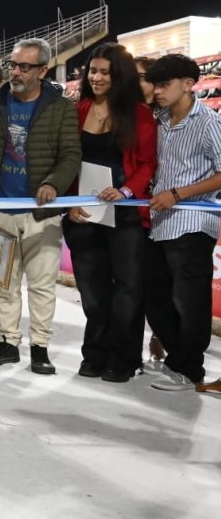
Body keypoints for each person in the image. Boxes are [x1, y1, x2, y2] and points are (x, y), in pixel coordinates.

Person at [0, 38, 81, 374]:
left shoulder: (60, 107)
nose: (15, 72)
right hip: (0, 210)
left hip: (41, 213)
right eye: (13, 65)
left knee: (41, 284)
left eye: (25, 66)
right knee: (4, 283)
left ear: (43, 70)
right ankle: (8, 342)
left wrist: (53, 183)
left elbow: (71, 154)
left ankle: (40, 347)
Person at [63, 43, 156, 383]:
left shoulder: (138, 113)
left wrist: (126, 191)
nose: (97, 77)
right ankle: (95, 354)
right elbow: (67, 161)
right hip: (84, 215)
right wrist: (69, 201)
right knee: (92, 291)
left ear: (120, 75)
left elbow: (147, 164)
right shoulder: (78, 110)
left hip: (126, 215)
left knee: (128, 289)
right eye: (93, 71)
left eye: (105, 72)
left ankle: (124, 358)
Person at [141, 54, 221, 392]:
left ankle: (190, 371)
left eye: (165, 84)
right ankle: (177, 361)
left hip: (193, 223)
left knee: (190, 303)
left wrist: (178, 194)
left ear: (189, 84)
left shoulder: (207, 122)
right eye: (155, 84)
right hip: (161, 223)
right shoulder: (158, 120)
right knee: (156, 299)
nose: (158, 91)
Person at [133, 55, 167, 371]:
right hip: (135, 214)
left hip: (168, 215)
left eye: (143, 77)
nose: (137, 83)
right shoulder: (124, 115)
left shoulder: (169, 117)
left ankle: (160, 336)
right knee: (134, 284)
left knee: (163, 286)